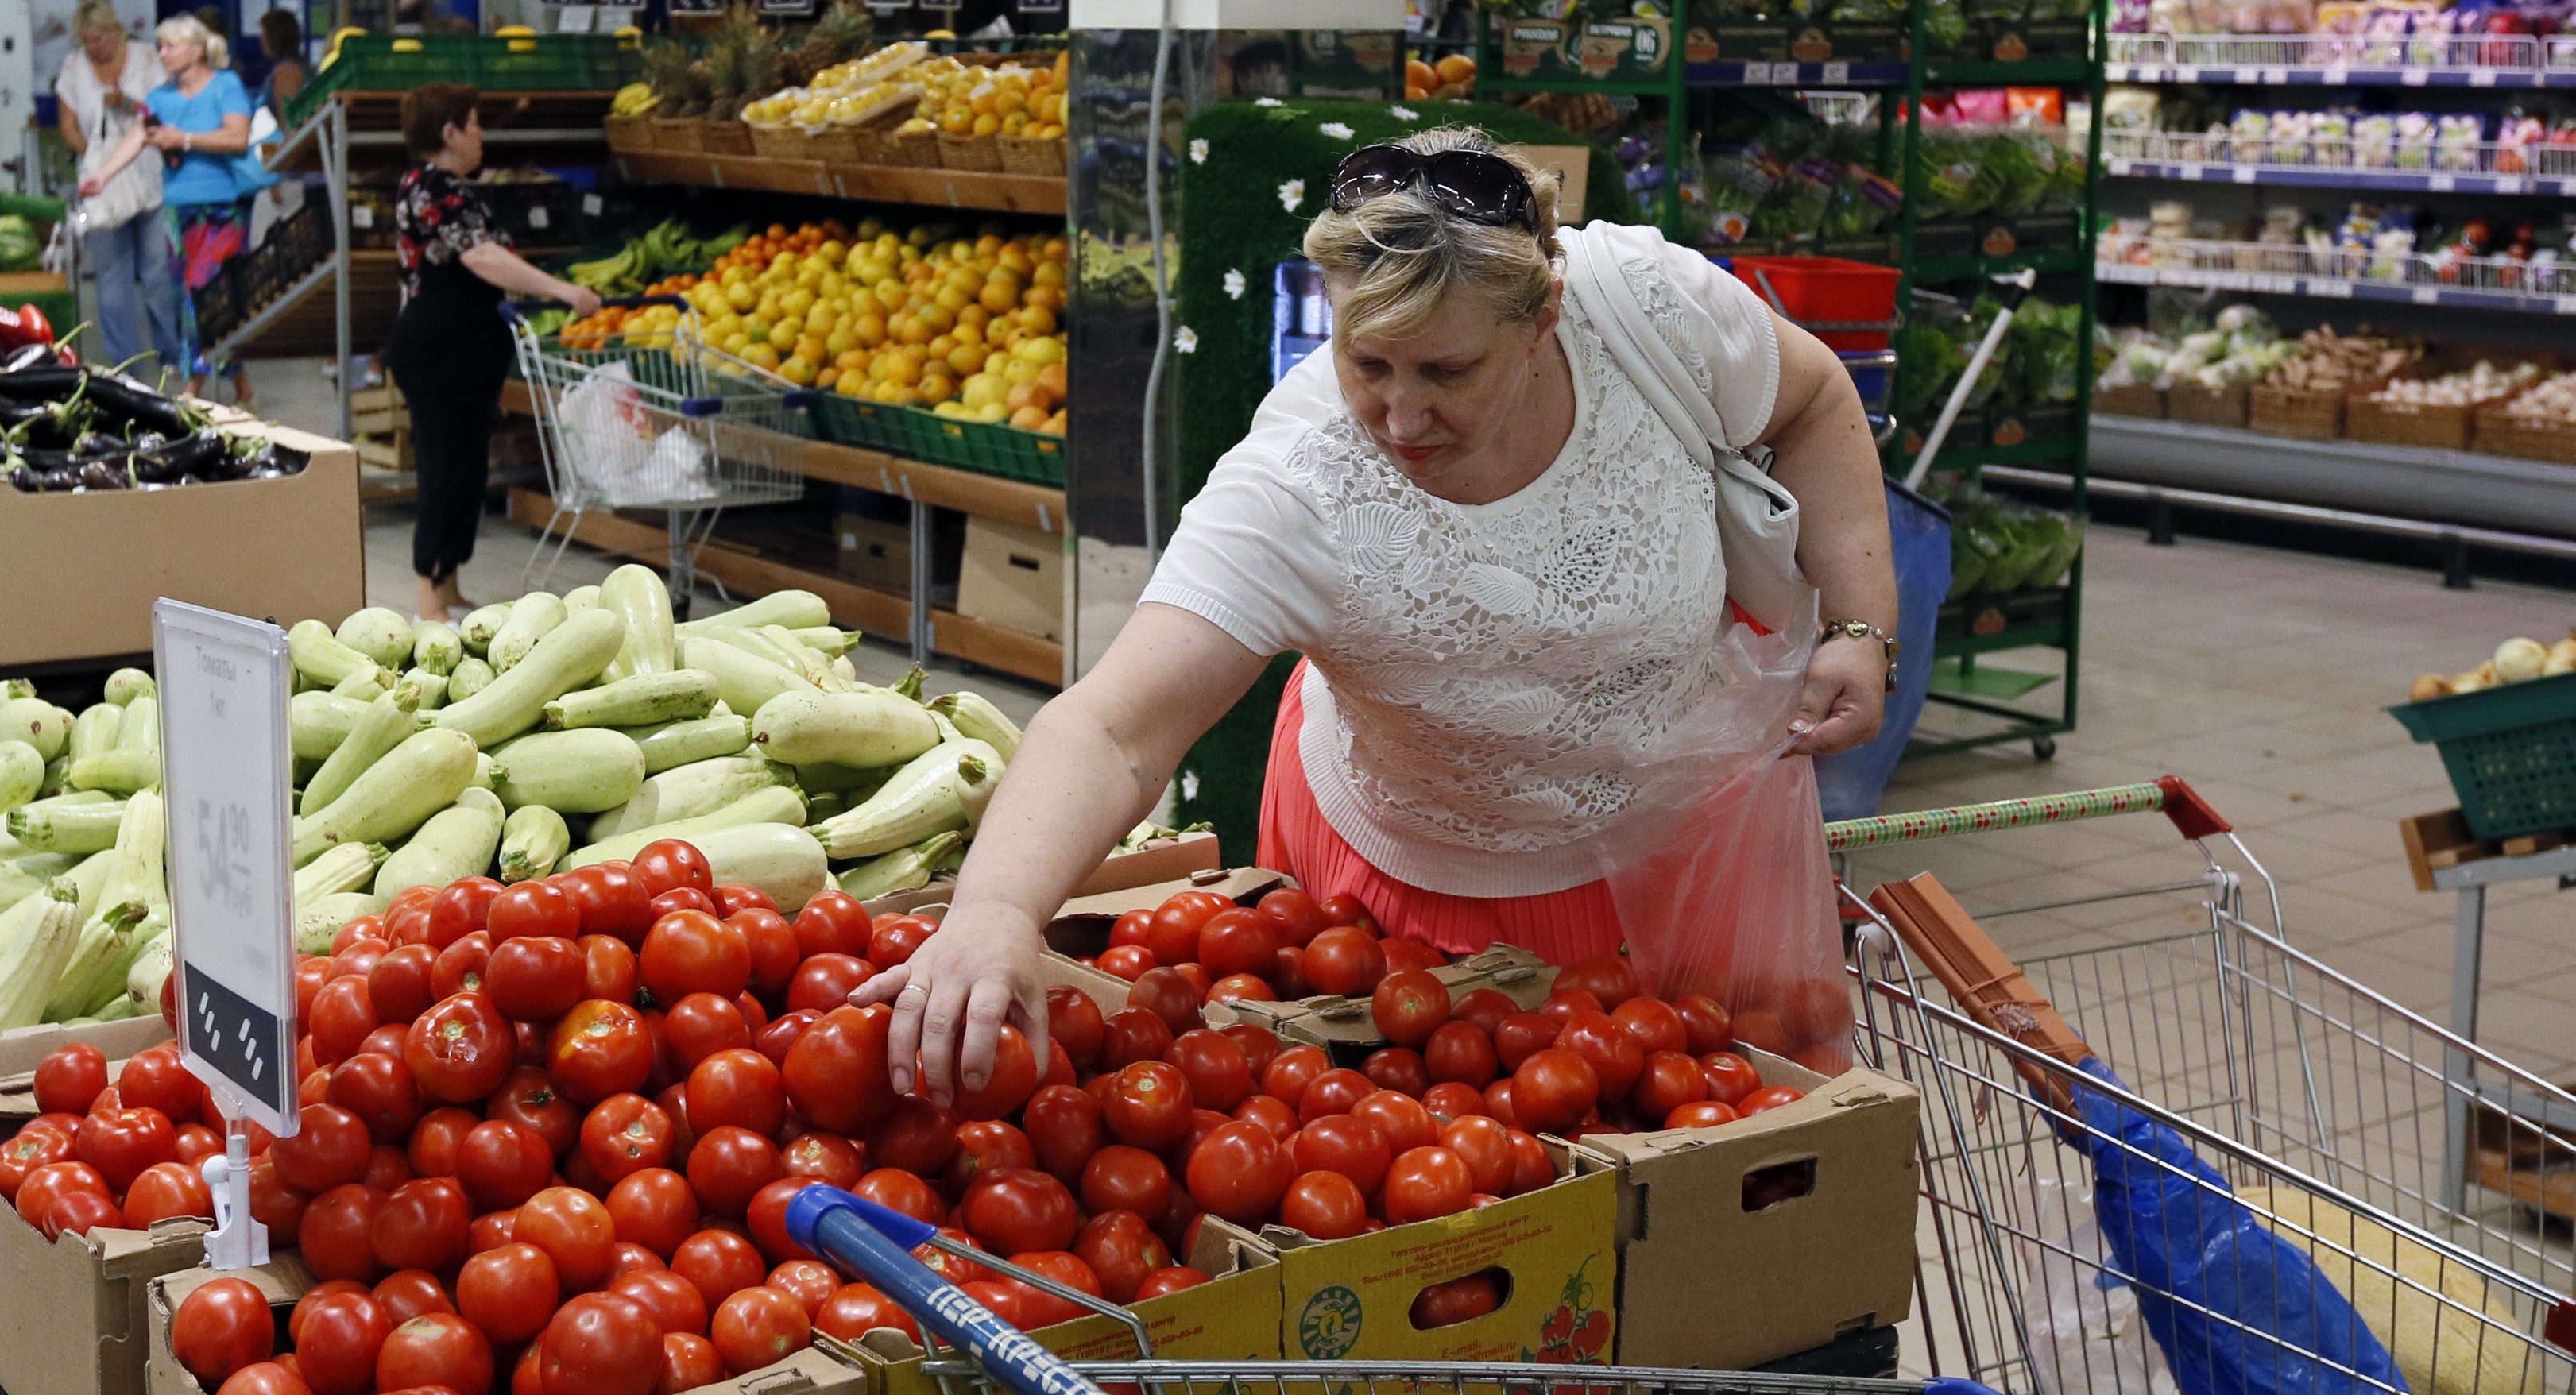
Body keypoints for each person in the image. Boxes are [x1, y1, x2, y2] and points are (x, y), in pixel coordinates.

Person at [860, 130, 1899, 1100]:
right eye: (1369, 364)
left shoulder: (1642, 309)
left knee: (1720, 1144)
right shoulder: (1298, 482)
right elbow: (1114, 726)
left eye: (1448, 370)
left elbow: (1811, 402)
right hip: (1414, 884)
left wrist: (1861, 625)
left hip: (1695, 848)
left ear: (1541, 318)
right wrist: (994, 909)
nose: (1403, 415)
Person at [383, 83, 601, 620]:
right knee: (444, 464)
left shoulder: (438, 185)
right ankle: (428, 602)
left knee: (467, 466)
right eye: (475, 123)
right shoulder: (436, 188)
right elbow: (481, 257)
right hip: (439, 347)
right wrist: (563, 290)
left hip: (459, 346)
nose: (482, 134)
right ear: (449, 132)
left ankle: (449, 582)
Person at [146, 14, 269, 400]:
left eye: (170, 45)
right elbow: (138, 137)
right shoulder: (159, 98)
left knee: (202, 293)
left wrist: (182, 139)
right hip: (178, 212)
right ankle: (243, 386)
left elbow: (237, 137)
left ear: (197, 50)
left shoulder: (226, 86)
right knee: (200, 293)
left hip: (223, 211)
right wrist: (100, 177)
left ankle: (192, 387)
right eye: (160, 46)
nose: (162, 53)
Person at [59, 0, 177, 373]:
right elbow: (69, 125)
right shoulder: (73, 68)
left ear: (116, 31)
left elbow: (163, 113)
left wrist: (128, 104)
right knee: (112, 286)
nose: (94, 47)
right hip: (102, 188)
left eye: (99, 38)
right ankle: (128, 367)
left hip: (150, 180)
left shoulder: (146, 60)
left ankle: (171, 354)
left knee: (158, 275)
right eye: (87, 40)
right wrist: (95, 155)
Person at [257, 8, 311, 130]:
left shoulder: (286, 72)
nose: (261, 39)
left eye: (264, 33)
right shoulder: (288, 67)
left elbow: (289, 121)